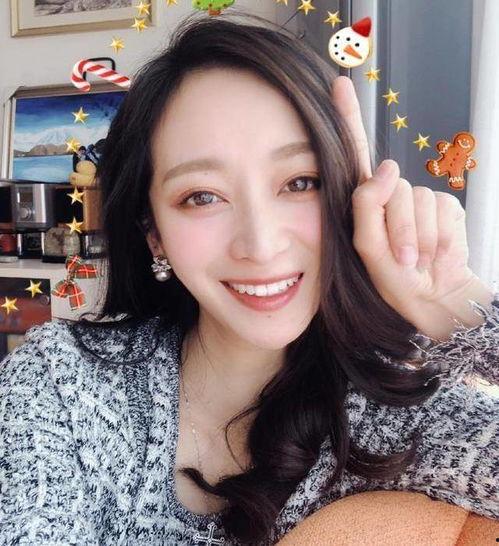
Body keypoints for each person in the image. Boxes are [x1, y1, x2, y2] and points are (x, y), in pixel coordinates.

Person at [0, 10, 497, 546]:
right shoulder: (62, 385)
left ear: (344, 196)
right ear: (154, 234)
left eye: (300, 182)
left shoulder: (390, 412)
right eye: (202, 196)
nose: (260, 245)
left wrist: (456, 303)